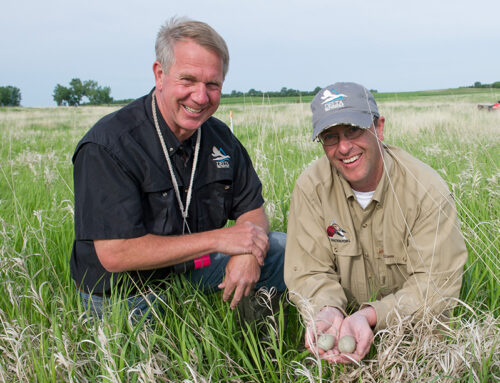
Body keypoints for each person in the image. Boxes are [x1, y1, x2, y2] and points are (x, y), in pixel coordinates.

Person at [71, 17, 286, 319]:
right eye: (188, 80)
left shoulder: (220, 138)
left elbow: (252, 211)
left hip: (192, 270)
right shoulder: (109, 145)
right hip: (126, 292)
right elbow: (115, 253)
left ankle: (265, 350)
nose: (200, 97)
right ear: (160, 74)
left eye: (212, 84)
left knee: (281, 250)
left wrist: (248, 251)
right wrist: (219, 239)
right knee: (156, 366)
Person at [284, 82, 467, 363]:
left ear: (379, 128)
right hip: (340, 337)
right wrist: (327, 309)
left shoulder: (426, 189)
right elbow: (307, 271)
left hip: (417, 342)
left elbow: (437, 283)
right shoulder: (311, 188)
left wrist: (371, 316)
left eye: (354, 130)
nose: (344, 147)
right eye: (330, 137)